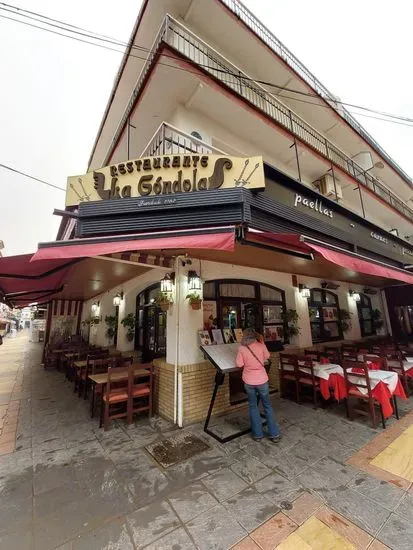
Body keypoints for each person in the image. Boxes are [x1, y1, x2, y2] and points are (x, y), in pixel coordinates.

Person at [235, 328, 280, 442]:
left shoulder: (242, 348)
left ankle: (257, 435)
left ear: (245, 336)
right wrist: (262, 343)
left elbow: (239, 363)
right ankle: (274, 434)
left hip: (249, 381)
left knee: (253, 406)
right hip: (262, 380)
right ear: (255, 335)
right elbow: (267, 356)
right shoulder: (260, 345)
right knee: (267, 406)